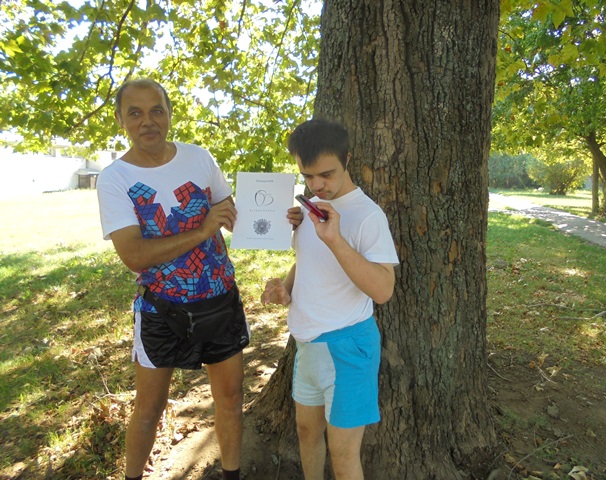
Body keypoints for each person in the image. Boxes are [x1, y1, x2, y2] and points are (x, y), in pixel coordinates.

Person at [96, 78, 301, 480]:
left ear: (170, 114)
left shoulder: (199, 157)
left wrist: (279, 217)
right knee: (149, 409)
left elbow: (230, 213)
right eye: (135, 112)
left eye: (157, 110)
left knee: (231, 398)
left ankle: (231, 476)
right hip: (162, 310)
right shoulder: (114, 178)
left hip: (219, 299)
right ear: (120, 119)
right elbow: (133, 254)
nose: (147, 121)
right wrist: (202, 230)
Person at [261, 119, 399, 480]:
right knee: (307, 434)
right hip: (308, 344)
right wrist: (286, 290)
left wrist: (336, 239)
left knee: (343, 454)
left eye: (326, 174)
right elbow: (307, 262)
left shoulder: (368, 215)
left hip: (348, 346)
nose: (317, 185)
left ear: (347, 158)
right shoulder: (311, 208)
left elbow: (383, 290)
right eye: (307, 176)